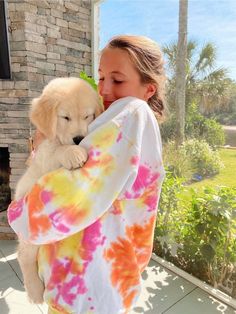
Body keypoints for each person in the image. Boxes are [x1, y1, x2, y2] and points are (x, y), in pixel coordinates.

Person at [8, 35, 166, 314]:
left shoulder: (131, 114)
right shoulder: (127, 128)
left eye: (117, 80)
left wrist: (16, 212)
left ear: (148, 90)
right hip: (104, 282)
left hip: (85, 291)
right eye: (101, 77)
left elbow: (43, 214)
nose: (104, 89)